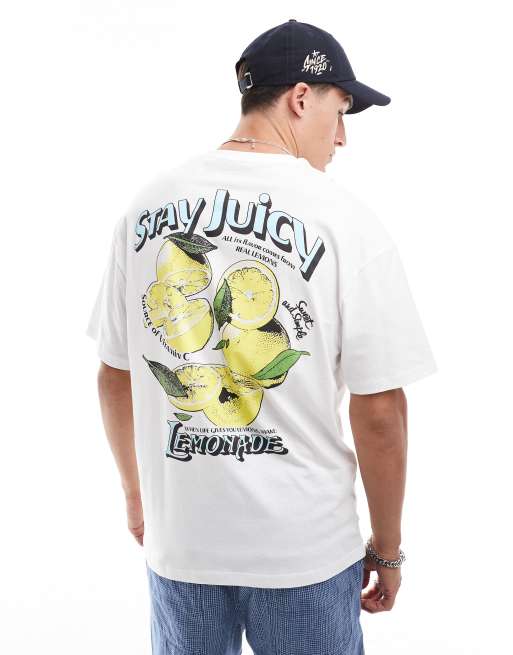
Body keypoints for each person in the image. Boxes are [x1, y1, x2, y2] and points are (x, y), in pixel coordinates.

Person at [86, 19, 437, 655]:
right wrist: (388, 550)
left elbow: (115, 375)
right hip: (304, 554)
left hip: (183, 546)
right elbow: (381, 412)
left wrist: (138, 498)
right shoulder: (346, 222)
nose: (342, 136)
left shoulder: (145, 208)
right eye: (340, 111)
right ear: (301, 97)